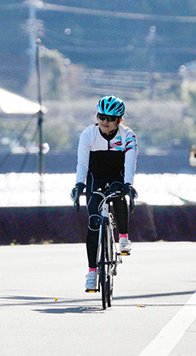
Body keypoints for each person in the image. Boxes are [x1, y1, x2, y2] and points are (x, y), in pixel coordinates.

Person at [70, 95, 138, 292]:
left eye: (110, 118)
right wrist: (78, 185)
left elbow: (130, 162)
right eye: (101, 116)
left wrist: (128, 184)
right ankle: (92, 272)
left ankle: (123, 237)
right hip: (95, 178)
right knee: (93, 222)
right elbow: (82, 163)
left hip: (117, 176)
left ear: (119, 120)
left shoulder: (128, 135)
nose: (105, 122)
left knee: (118, 195)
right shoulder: (88, 134)